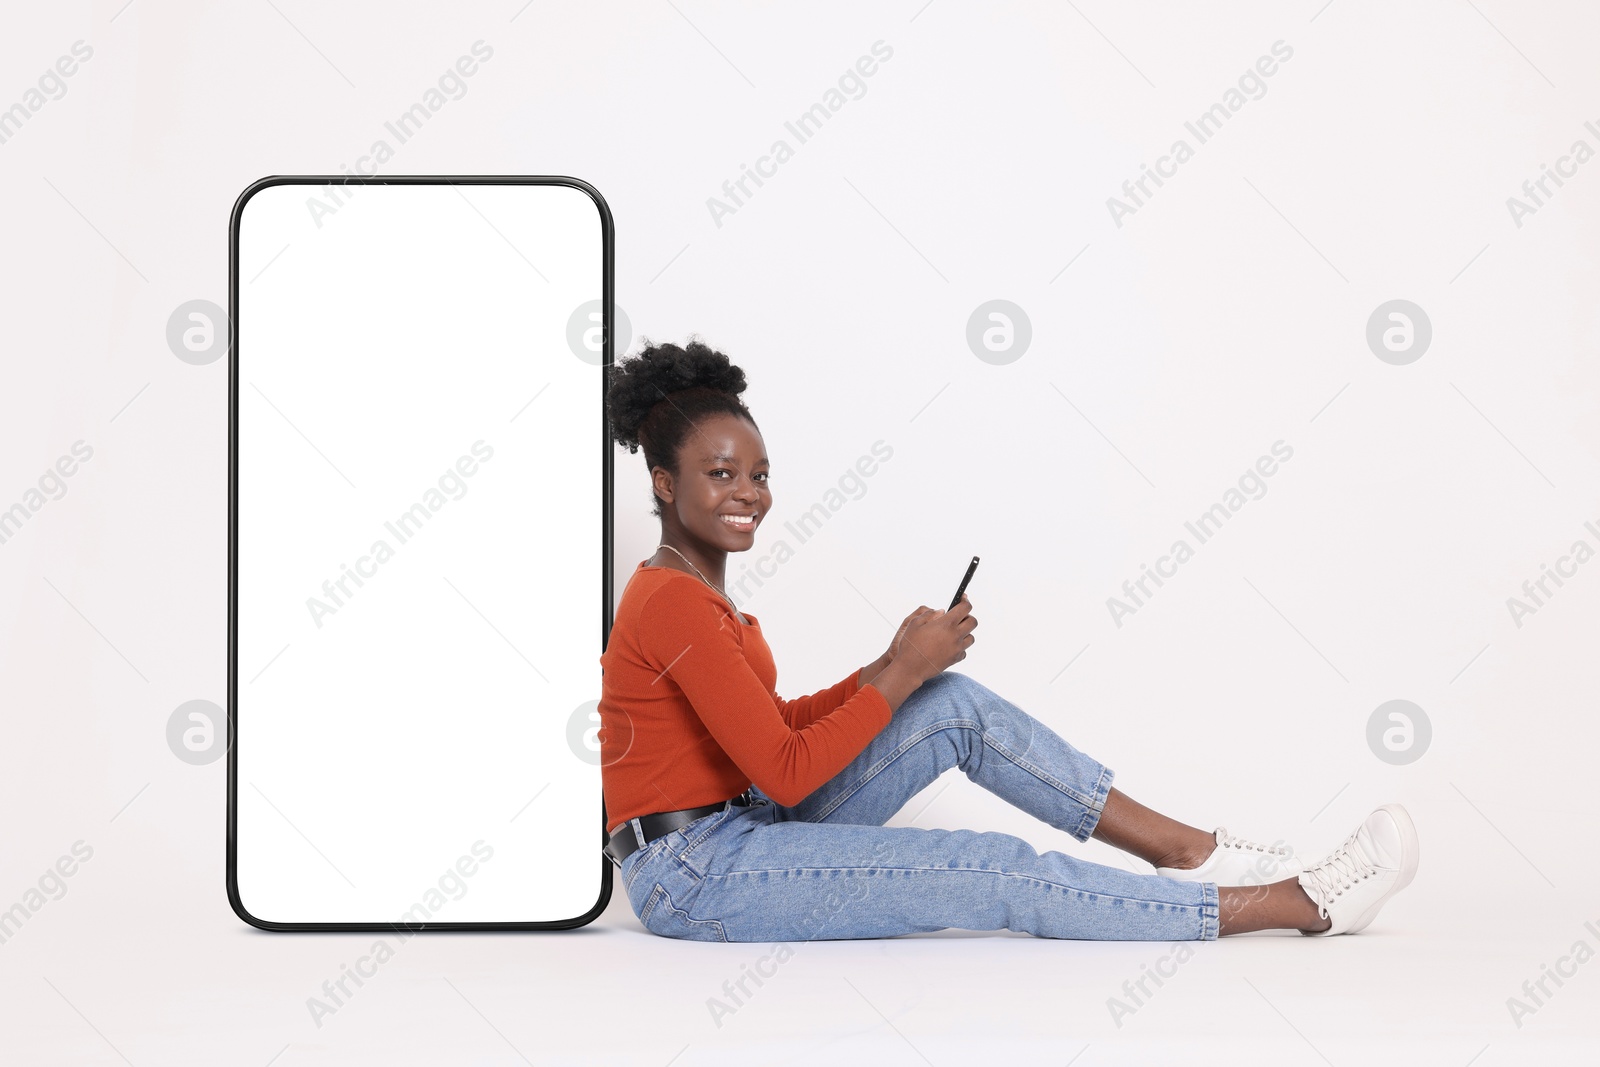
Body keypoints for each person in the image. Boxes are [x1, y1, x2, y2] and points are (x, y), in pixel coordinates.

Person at [596, 336, 1418, 943]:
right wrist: (902, 670)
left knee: (951, 703)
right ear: (665, 485)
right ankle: (1292, 903)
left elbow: (766, 733)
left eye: (760, 472)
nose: (750, 493)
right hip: (696, 871)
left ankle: (1188, 851)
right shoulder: (670, 601)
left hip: (744, 819)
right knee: (986, 867)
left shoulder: (699, 595)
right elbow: (783, 765)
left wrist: (892, 666)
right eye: (721, 474)